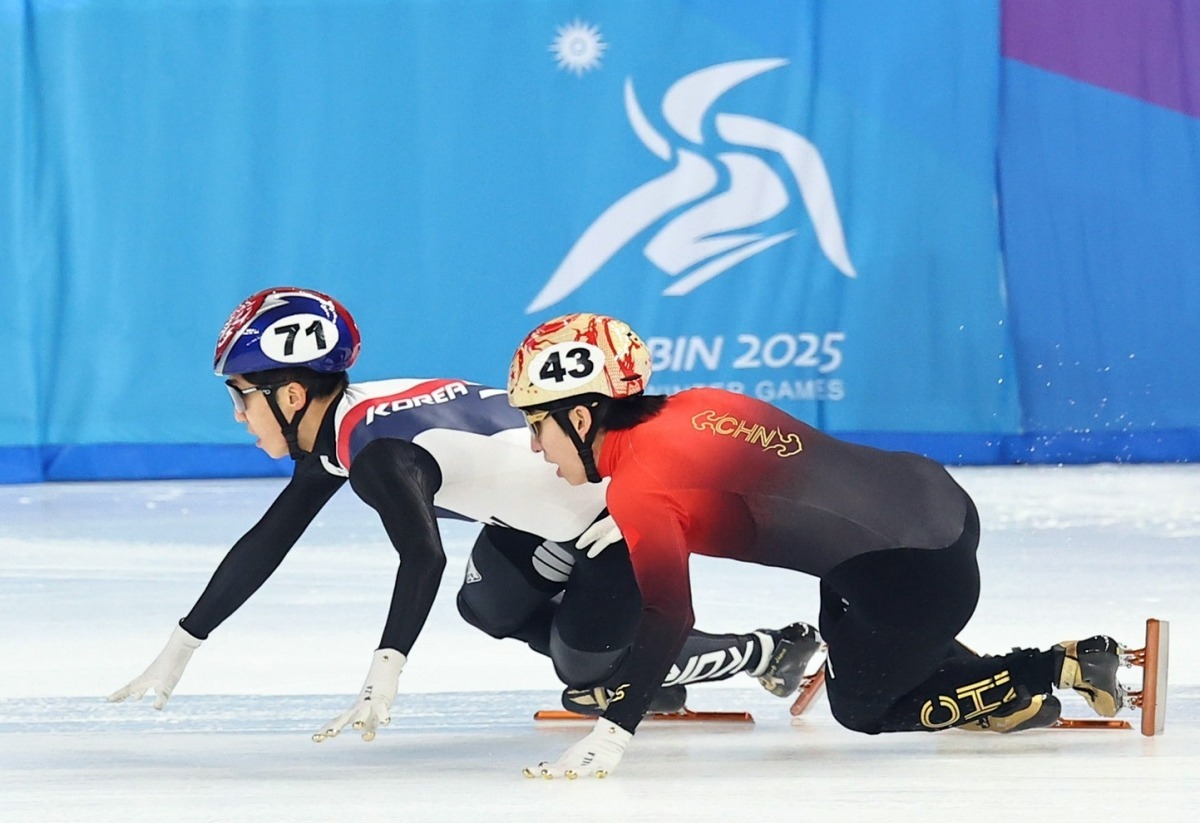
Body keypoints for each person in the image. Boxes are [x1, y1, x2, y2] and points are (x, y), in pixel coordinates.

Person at [108, 288, 819, 741]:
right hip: (544, 515)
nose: (238, 416)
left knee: (583, 673)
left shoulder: (378, 451)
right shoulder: (345, 429)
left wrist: (382, 673)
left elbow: (423, 554)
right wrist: (179, 648)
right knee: (485, 606)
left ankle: (770, 648)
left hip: (618, 512)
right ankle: (639, 663)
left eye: (240, 398)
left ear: (291, 395)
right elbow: (270, 538)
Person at [507, 312, 1134, 779]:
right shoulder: (701, 404)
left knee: (860, 708)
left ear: (581, 418)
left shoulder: (639, 489)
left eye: (538, 427)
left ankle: (1053, 667)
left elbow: (669, 616)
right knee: (855, 620)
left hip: (913, 574)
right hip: (934, 500)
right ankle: (986, 691)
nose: (537, 447)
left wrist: (613, 733)